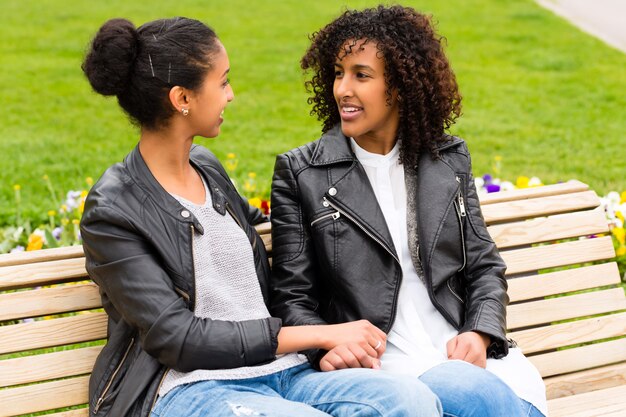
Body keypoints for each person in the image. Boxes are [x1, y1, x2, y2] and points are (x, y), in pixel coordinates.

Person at [80, 16, 442, 417]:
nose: (230, 95)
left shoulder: (205, 168)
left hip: (280, 374)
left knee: (413, 401)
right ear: (182, 99)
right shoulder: (113, 210)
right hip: (193, 387)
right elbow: (177, 338)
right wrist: (320, 334)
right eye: (222, 82)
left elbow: (273, 226)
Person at [270, 5, 547, 417]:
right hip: (385, 367)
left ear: (399, 86)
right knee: (466, 396)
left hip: (464, 353)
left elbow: (484, 265)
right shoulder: (303, 173)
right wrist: (328, 345)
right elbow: (293, 297)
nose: (343, 89)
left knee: (475, 391)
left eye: (361, 75)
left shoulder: (447, 159)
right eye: (337, 73)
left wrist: (479, 332)